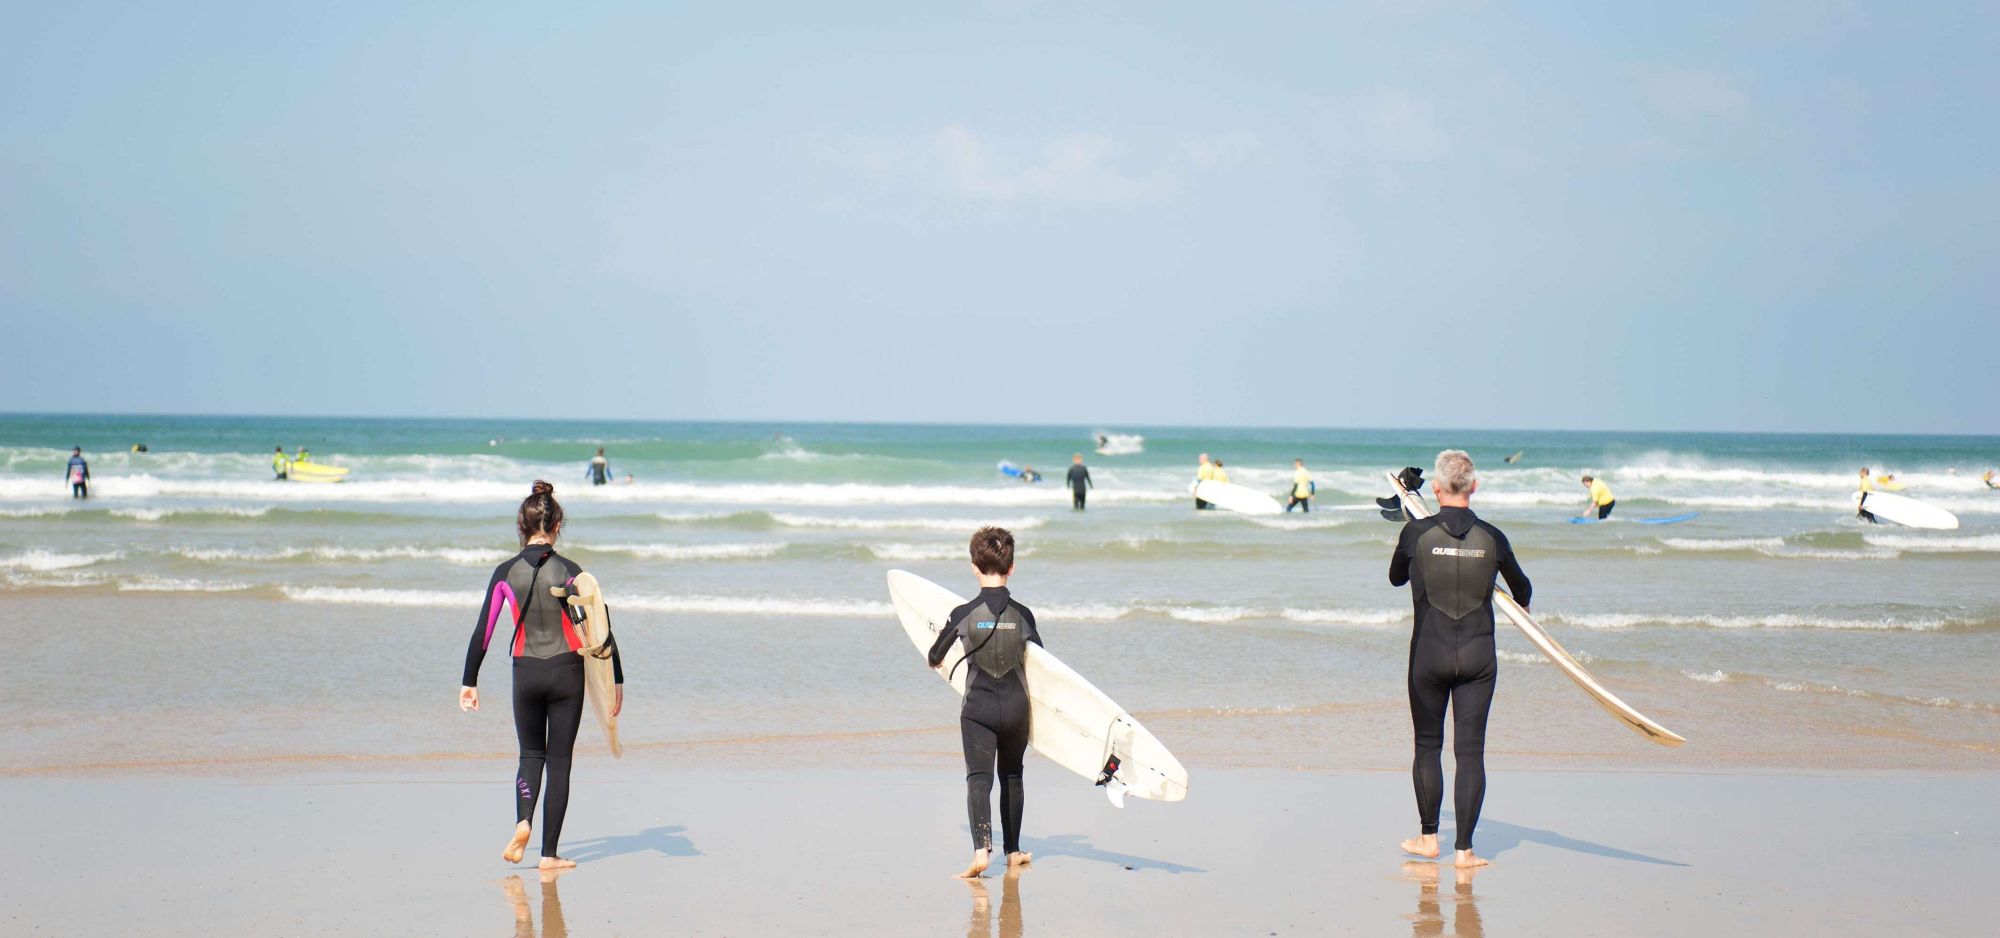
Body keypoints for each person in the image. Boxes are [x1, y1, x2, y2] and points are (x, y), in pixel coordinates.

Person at [460, 481, 624, 871]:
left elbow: (483, 630)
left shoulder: (504, 572)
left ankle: (522, 820)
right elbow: (601, 627)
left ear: (521, 523)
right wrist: (616, 679)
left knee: (530, 754)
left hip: (526, 672)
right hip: (567, 671)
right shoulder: (571, 572)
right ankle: (549, 854)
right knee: (560, 760)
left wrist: (469, 681)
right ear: (558, 523)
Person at [1388, 450, 1530, 870]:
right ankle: (1465, 852)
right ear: (1474, 486)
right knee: (1470, 753)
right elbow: (1522, 593)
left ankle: (1429, 839)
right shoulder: (1493, 538)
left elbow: (1395, 577)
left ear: (1435, 488)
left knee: (1427, 746)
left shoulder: (1416, 534)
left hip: (1427, 657)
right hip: (1478, 658)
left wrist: (1415, 532)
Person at [927, 526, 1041, 879]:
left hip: (978, 710)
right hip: (1017, 708)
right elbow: (1041, 667)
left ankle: (981, 850)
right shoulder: (1024, 615)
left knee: (979, 778)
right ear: (1012, 567)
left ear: (974, 566)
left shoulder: (963, 613)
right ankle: (1013, 851)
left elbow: (934, 655)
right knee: (1012, 775)